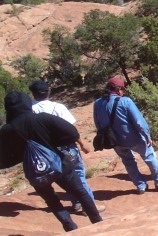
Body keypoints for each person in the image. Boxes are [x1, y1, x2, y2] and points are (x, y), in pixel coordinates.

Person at [1, 92, 102, 231]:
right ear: (26, 103)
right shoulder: (42, 118)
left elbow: (3, 159)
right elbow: (72, 133)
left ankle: (70, 226)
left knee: (52, 200)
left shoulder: (6, 130)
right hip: (59, 163)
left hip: (34, 171)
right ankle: (98, 222)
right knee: (80, 191)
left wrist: (23, 156)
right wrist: (52, 143)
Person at [29, 80, 106, 214]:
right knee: (78, 174)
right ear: (48, 91)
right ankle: (89, 206)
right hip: (65, 147)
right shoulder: (57, 107)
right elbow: (70, 129)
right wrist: (82, 144)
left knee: (66, 177)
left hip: (46, 150)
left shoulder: (30, 110)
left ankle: (77, 203)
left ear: (33, 93)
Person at [93, 76, 158, 194]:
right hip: (132, 138)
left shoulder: (98, 103)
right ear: (118, 89)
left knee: (128, 161)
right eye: (123, 89)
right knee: (149, 156)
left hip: (114, 141)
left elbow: (98, 123)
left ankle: (141, 186)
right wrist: (147, 135)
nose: (123, 92)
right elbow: (139, 121)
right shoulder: (125, 101)